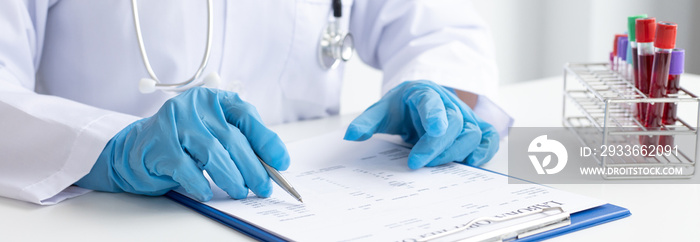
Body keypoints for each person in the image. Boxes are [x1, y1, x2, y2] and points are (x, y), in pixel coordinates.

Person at [0, 0, 511, 205]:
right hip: (103, 211)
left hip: (306, 207)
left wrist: (441, 93)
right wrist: (110, 145)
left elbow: (439, 28)